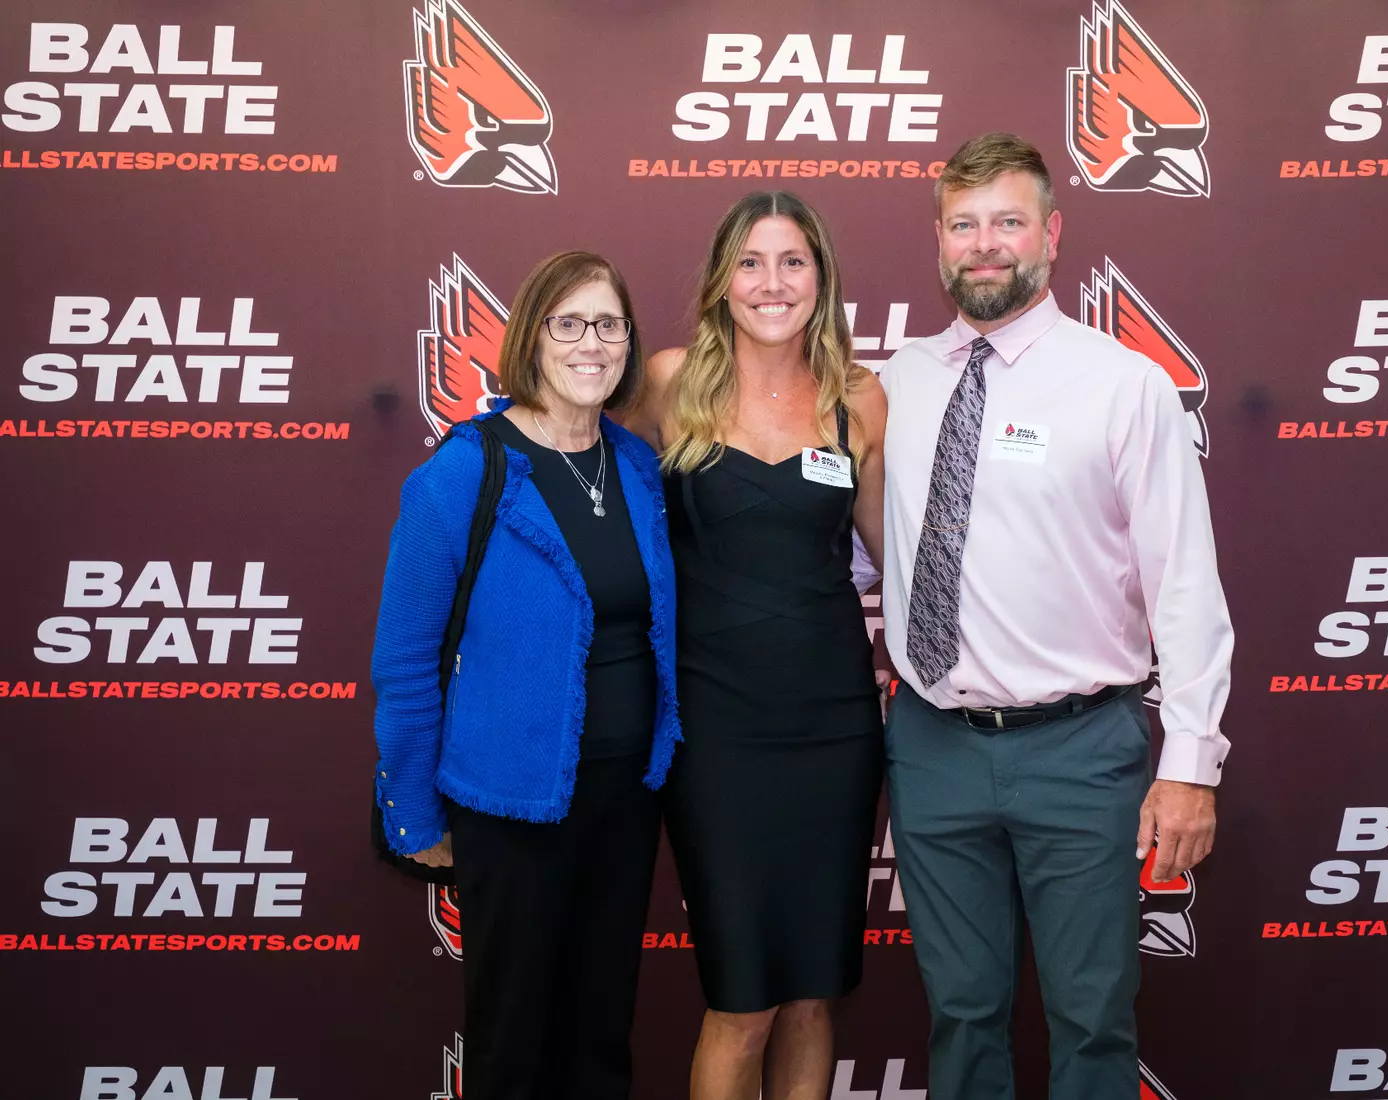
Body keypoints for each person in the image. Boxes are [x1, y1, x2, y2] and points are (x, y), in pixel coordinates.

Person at [878, 133, 1233, 1099]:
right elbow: (865, 543)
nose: (985, 244)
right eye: (963, 224)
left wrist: (1190, 765)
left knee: (1091, 1020)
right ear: (938, 238)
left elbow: (1185, 583)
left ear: (1052, 233)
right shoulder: (898, 381)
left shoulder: (1123, 384)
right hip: (933, 748)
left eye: (1008, 221)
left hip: (1080, 752)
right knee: (960, 1016)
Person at [371, 251, 681, 1100]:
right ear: (531, 340)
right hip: (511, 808)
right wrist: (413, 810)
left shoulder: (635, 466)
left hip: (627, 800)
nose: (592, 343)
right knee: (512, 1045)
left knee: (600, 1038)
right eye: (567, 323)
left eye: (609, 324)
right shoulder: (465, 471)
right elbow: (404, 661)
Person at [623, 190, 887, 1100]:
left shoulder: (859, 396)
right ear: (721, 280)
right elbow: (590, 494)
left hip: (834, 727)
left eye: (792, 262)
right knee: (741, 1005)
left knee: (812, 994)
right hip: (715, 731)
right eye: (750, 263)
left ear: (822, 278)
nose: (772, 283)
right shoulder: (668, 383)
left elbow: (899, 559)